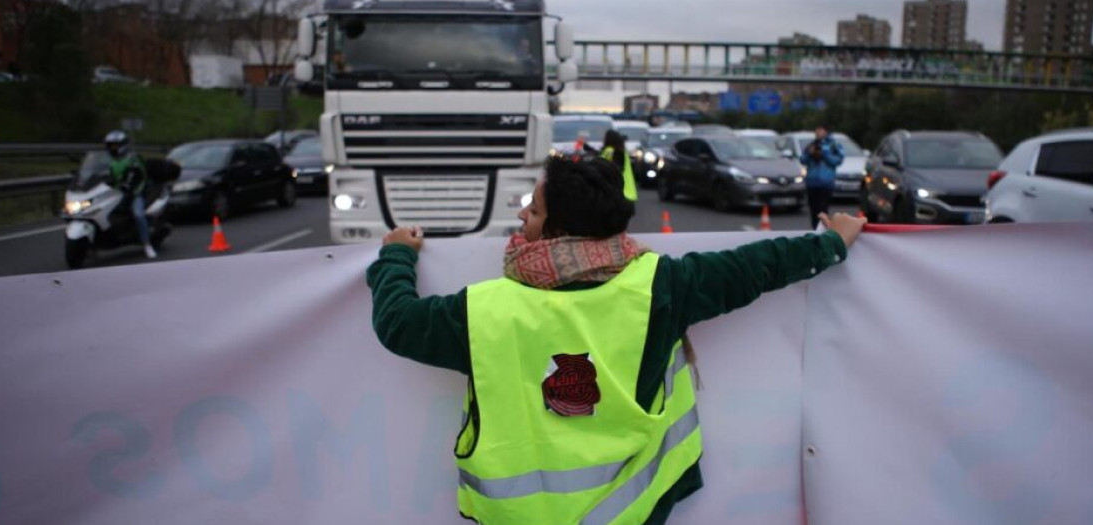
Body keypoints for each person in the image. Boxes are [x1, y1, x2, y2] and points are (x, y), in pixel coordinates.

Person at [367, 155, 865, 525]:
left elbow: (398, 323)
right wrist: (830, 244)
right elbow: (756, 268)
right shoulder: (662, 286)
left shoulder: (482, 310)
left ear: (558, 229)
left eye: (534, 209)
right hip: (635, 510)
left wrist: (396, 257)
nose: (521, 215)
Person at [103, 130, 156, 259]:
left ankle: (147, 244)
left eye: (115, 145)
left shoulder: (133, 159)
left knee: (138, 214)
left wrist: (132, 190)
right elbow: (105, 177)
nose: (112, 148)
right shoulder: (109, 162)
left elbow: (141, 176)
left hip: (134, 194)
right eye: (110, 146)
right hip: (115, 194)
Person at [799, 125, 845, 230]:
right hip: (812, 183)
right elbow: (802, 160)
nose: (818, 132)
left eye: (820, 130)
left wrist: (825, 154)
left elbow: (838, 160)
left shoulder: (833, 145)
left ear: (825, 131)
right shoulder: (811, 145)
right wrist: (810, 154)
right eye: (816, 130)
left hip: (826, 183)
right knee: (813, 209)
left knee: (823, 209)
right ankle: (815, 229)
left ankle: (823, 229)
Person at [600, 129, 638, 202]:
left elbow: (605, 169)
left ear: (609, 139)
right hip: (627, 192)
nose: (602, 139)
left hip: (617, 193)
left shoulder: (610, 151)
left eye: (604, 137)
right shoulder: (622, 152)